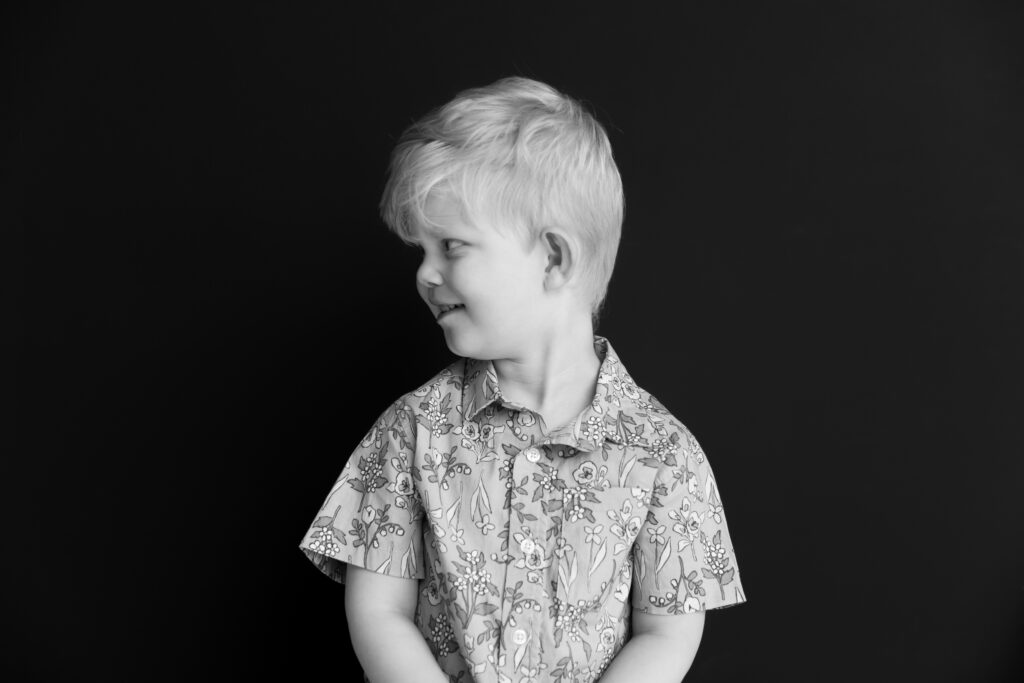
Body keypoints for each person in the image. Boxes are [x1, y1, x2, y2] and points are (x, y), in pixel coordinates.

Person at [298, 76, 746, 683]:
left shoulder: (664, 455)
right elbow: (378, 609)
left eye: (451, 246)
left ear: (554, 259)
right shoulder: (412, 431)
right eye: (420, 251)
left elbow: (668, 631)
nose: (425, 274)